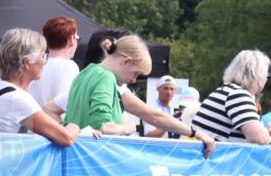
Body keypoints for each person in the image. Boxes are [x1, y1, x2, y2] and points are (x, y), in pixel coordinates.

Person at [60, 35, 214, 156]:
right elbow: (103, 126)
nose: (133, 80)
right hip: (97, 162)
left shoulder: (83, 74)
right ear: (127, 61)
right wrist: (128, 127)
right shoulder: (106, 78)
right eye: (136, 74)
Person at [0, 28, 81, 146]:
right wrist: (75, 126)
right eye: (43, 56)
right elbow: (66, 138)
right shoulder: (18, 99)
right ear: (26, 63)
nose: (45, 62)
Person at [192, 50, 271, 148]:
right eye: (267, 76)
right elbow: (259, 138)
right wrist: (269, 139)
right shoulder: (238, 95)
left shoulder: (224, 90)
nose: (266, 80)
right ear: (258, 76)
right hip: (217, 160)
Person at [28, 16, 80, 108]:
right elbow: (65, 107)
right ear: (71, 40)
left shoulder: (34, 63)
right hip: (52, 121)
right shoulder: (69, 67)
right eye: (77, 38)